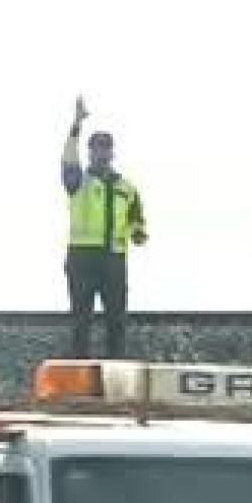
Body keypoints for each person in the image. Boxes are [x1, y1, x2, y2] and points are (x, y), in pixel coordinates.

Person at [62, 96, 148, 358]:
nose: (101, 152)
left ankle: (116, 368)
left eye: (105, 148)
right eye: (97, 148)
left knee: (116, 318)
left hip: (114, 258)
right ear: (90, 151)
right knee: (81, 318)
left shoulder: (127, 188)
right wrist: (76, 125)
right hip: (82, 256)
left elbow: (137, 219)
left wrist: (138, 232)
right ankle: (80, 367)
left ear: (112, 152)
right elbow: (67, 160)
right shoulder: (79, 181)